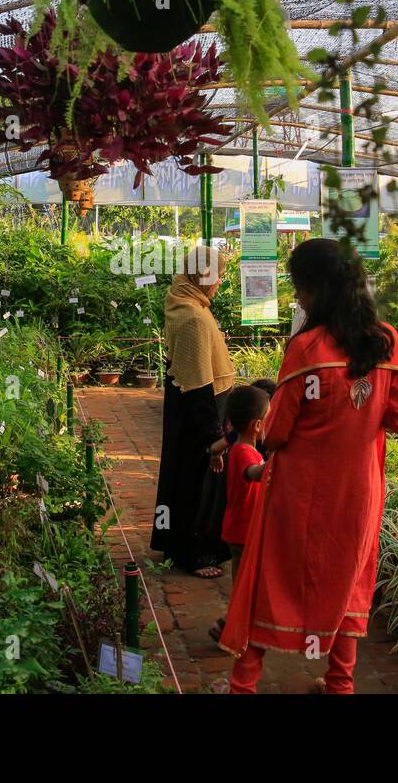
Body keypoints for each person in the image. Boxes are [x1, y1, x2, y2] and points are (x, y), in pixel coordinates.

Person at [220, 238, 398, 693]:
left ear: (315, 290)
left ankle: (243, 685)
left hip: (300, 492)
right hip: (359, 492)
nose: (298, 297)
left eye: (299, 288)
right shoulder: (387, 341)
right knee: (347, 580)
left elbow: (277, 434)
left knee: (271, 579)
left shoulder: (307, 348)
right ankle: (339, 685)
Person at [150, 244, 235, 579]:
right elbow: (200, 382)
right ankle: (196, 553)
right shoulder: (195, 318)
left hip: (184, 404)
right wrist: (213, 438)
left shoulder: (181, 300)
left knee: (181, 475)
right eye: (217, 277)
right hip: (201, 406)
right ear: (202, 276)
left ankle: (173, 542)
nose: (219, 283)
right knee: (200, 481)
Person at [209, 383, 272, 643]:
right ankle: (231, 629)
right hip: (242, 532)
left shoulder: (243, 448)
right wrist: (278, 461)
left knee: (245, 584)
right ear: (257, 425)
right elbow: (254, 474)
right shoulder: (245, 452)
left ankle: (232, 625)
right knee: (245, 585)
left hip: (243, 529)